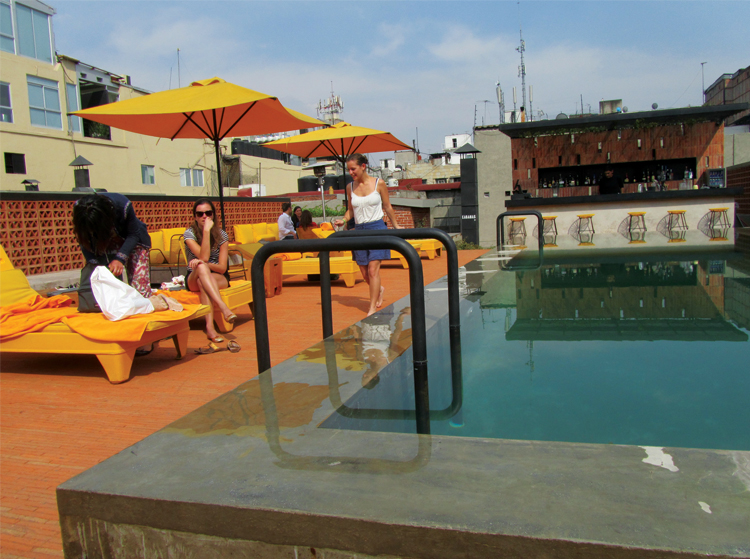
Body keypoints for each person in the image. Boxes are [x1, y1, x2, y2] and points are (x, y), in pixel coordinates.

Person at [334, 153, 402, 316]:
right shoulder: (350, 187)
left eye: (353, 169)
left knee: (373, 270)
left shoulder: (379, 183)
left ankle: (371, 307)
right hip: (359, 231)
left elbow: (388, 206)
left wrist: (396, 225)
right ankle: (379, 289)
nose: (350, 172)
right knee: (364, 273)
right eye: (348, 169)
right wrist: (343, 220)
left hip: (377, 228)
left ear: (363, 166)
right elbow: (351, 210)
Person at [183, 199, 239, 352]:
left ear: (213, 215)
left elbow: (221, 267)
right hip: (193, 277)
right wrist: (206, 232)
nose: (204, 217)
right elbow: (204, 256)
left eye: (208, 213)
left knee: (203, 273)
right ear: (195, 216)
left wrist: (205, 265)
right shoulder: (190, 234)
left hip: (216, 276)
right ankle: (223, 307)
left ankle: (210, 328)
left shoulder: (222, 235)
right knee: (201, 268)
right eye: (200, 214)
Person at [72, 192, 151, 298]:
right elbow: (83, 237)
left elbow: (133, 234)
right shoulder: (80, 209)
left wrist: (120, 258)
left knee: (141, 294)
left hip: (133, 241)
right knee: (108, 287)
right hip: (104, 242)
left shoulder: (122, 204)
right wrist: (93, 262)